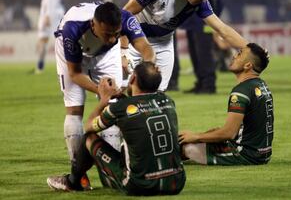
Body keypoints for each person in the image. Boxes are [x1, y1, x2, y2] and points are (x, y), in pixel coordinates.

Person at [47, 62, 186, 195]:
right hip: (176, 183)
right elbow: (139, 110)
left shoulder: (121, 108)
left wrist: (103, 100)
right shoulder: (168, 101)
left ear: (132, 78)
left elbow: (88, 126)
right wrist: (121, 96)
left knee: (88, 139)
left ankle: (72, 182)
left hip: (139, 185)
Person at [54, 1, 154, 185]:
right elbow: (75, 74)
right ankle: (78, 172)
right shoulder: (72, 30)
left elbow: (147, 49)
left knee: (112, 107)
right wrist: (101, 90)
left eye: (116, 34)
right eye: (107, 34)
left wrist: (142, 75)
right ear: (94, 24)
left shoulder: (125, 18)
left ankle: (111, 173)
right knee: (75, 109)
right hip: (75, 53)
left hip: (105, 55)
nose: (111, 39)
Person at [121, 0, 247, 92]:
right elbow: (124, 16)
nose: (203, 0)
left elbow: (222, 29)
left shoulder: (200, 2)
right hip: (135, 40)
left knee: (157, 93)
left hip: (163, 42)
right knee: (121, 88)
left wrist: (250, 48)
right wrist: (123, 53)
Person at [179, 43, 274, 165]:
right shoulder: (261, 85)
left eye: (239, 54)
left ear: (248, 65)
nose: (234, 56)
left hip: (245, 154)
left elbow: (229, 133)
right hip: (262, 153)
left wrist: (195, 136)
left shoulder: (241, 92)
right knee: (208, 134)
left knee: (186, 148)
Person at [182, 0, 224, 94]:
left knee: (204, 54)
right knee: (196, 54)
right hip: (192, 22)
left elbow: (218, 1)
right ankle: (200, 82)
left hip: (204, 23)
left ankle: (209, 85)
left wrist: (213, 24)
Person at [145, 0, 180, 91]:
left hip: (166, 19)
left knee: (168, 49)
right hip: (166, 18)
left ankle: (172, 81)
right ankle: (171, 81)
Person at [34, 0, 64, 74]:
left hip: (51, 13)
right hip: (56, 11)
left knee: (49, 39)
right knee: (46, 39)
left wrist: (47, 15)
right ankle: (40, 67)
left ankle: (40, 68)